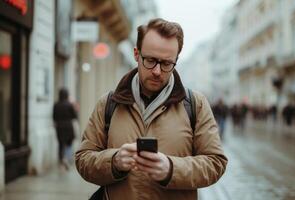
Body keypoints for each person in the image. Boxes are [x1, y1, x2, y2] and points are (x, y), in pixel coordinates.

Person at [75, 18, 227, 200]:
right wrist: (114, 161)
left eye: (166, 63)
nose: (157, 71)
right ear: (136, 54)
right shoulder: (108, 103)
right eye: (151, 60)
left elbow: (216, 163)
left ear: (176, 60)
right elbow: (83, 160)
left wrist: (171, 169)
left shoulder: (196, 104)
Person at [53, 88, 78, 170]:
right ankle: (67, 158)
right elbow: (75, 116)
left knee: (60, 144)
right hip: (68, 126)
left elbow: (54, 117)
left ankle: (61, 160)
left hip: (59, 127)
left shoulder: (56, 105)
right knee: (69, 144)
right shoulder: (69, 105)